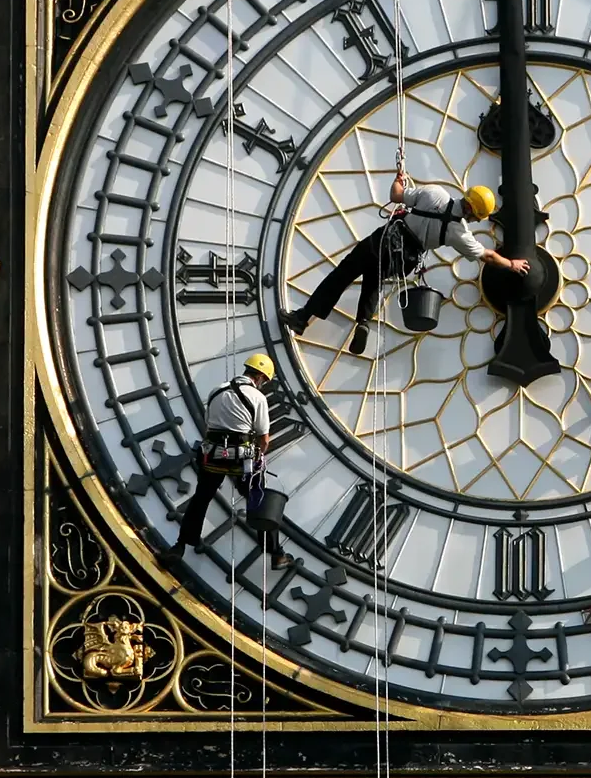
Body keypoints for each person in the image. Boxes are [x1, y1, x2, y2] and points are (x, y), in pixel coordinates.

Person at [283, 168, 529, 355]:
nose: (476, 221)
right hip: (402, 260)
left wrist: (398, 178)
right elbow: (487, 255)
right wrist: (512, 264)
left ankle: (303, 318)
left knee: (341, 276)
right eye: (477, 217)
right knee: (374, 281)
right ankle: (363, 322)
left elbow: (396, 195)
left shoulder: (435, 193)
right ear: (472, 212)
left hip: (382, 242)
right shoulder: (458, 232)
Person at [160, 354, 291, 571]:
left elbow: (210, 423)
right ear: (259, 377)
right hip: (241, 460)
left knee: (201, 499)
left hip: (212, 457)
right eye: (264, 381)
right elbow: (264, 438)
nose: (263, 385)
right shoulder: (258, 398)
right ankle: (277, 555)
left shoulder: (217, 391)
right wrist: (259, 457)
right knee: (259, 501)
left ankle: (179, 547)